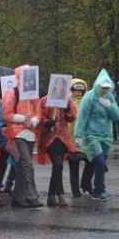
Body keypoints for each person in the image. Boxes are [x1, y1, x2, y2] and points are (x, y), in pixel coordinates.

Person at [73, 69, 119, 201]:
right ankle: (99, 190)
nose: (105, 90)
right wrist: (78, 135)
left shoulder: (109, 97)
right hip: (91, 134)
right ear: (98, 85)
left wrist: (109, 106)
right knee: (99, 161)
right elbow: (83, 117)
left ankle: (92, 186)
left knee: (100, 162)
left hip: (106, 135)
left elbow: (116, 117)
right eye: (103, 88)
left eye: (107, 88)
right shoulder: (89, 97)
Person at [2, 65, 43, 209]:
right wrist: (22, 118)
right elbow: (6, 114)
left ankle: (18, 198)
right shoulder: (12, 92)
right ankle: (31, 196)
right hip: (17, 132)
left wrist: (34, 120)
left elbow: (38, 112)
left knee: (21, 165)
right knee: (27, 164)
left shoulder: (34, 93)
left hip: (31, 132)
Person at [37, 93, 76, 207]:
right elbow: (40, 116)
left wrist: (68, 109)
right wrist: (47, 122)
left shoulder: (66, 101)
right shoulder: (44, 100)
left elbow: (72, 117)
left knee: (57, 166)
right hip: (49, 138)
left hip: (62, 138)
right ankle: (60, 195)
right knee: (58, 165)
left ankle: (50, 196)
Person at [66, 79, 93, 197]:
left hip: (85, 137)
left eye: (80, 90)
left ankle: (86, 183)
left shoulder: (87, 101)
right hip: (70, 137)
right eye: (75, 90)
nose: (78, 92)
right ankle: (75, 190)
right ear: (72, 90)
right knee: (73, 164)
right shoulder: (67, 101)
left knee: (92, 160)